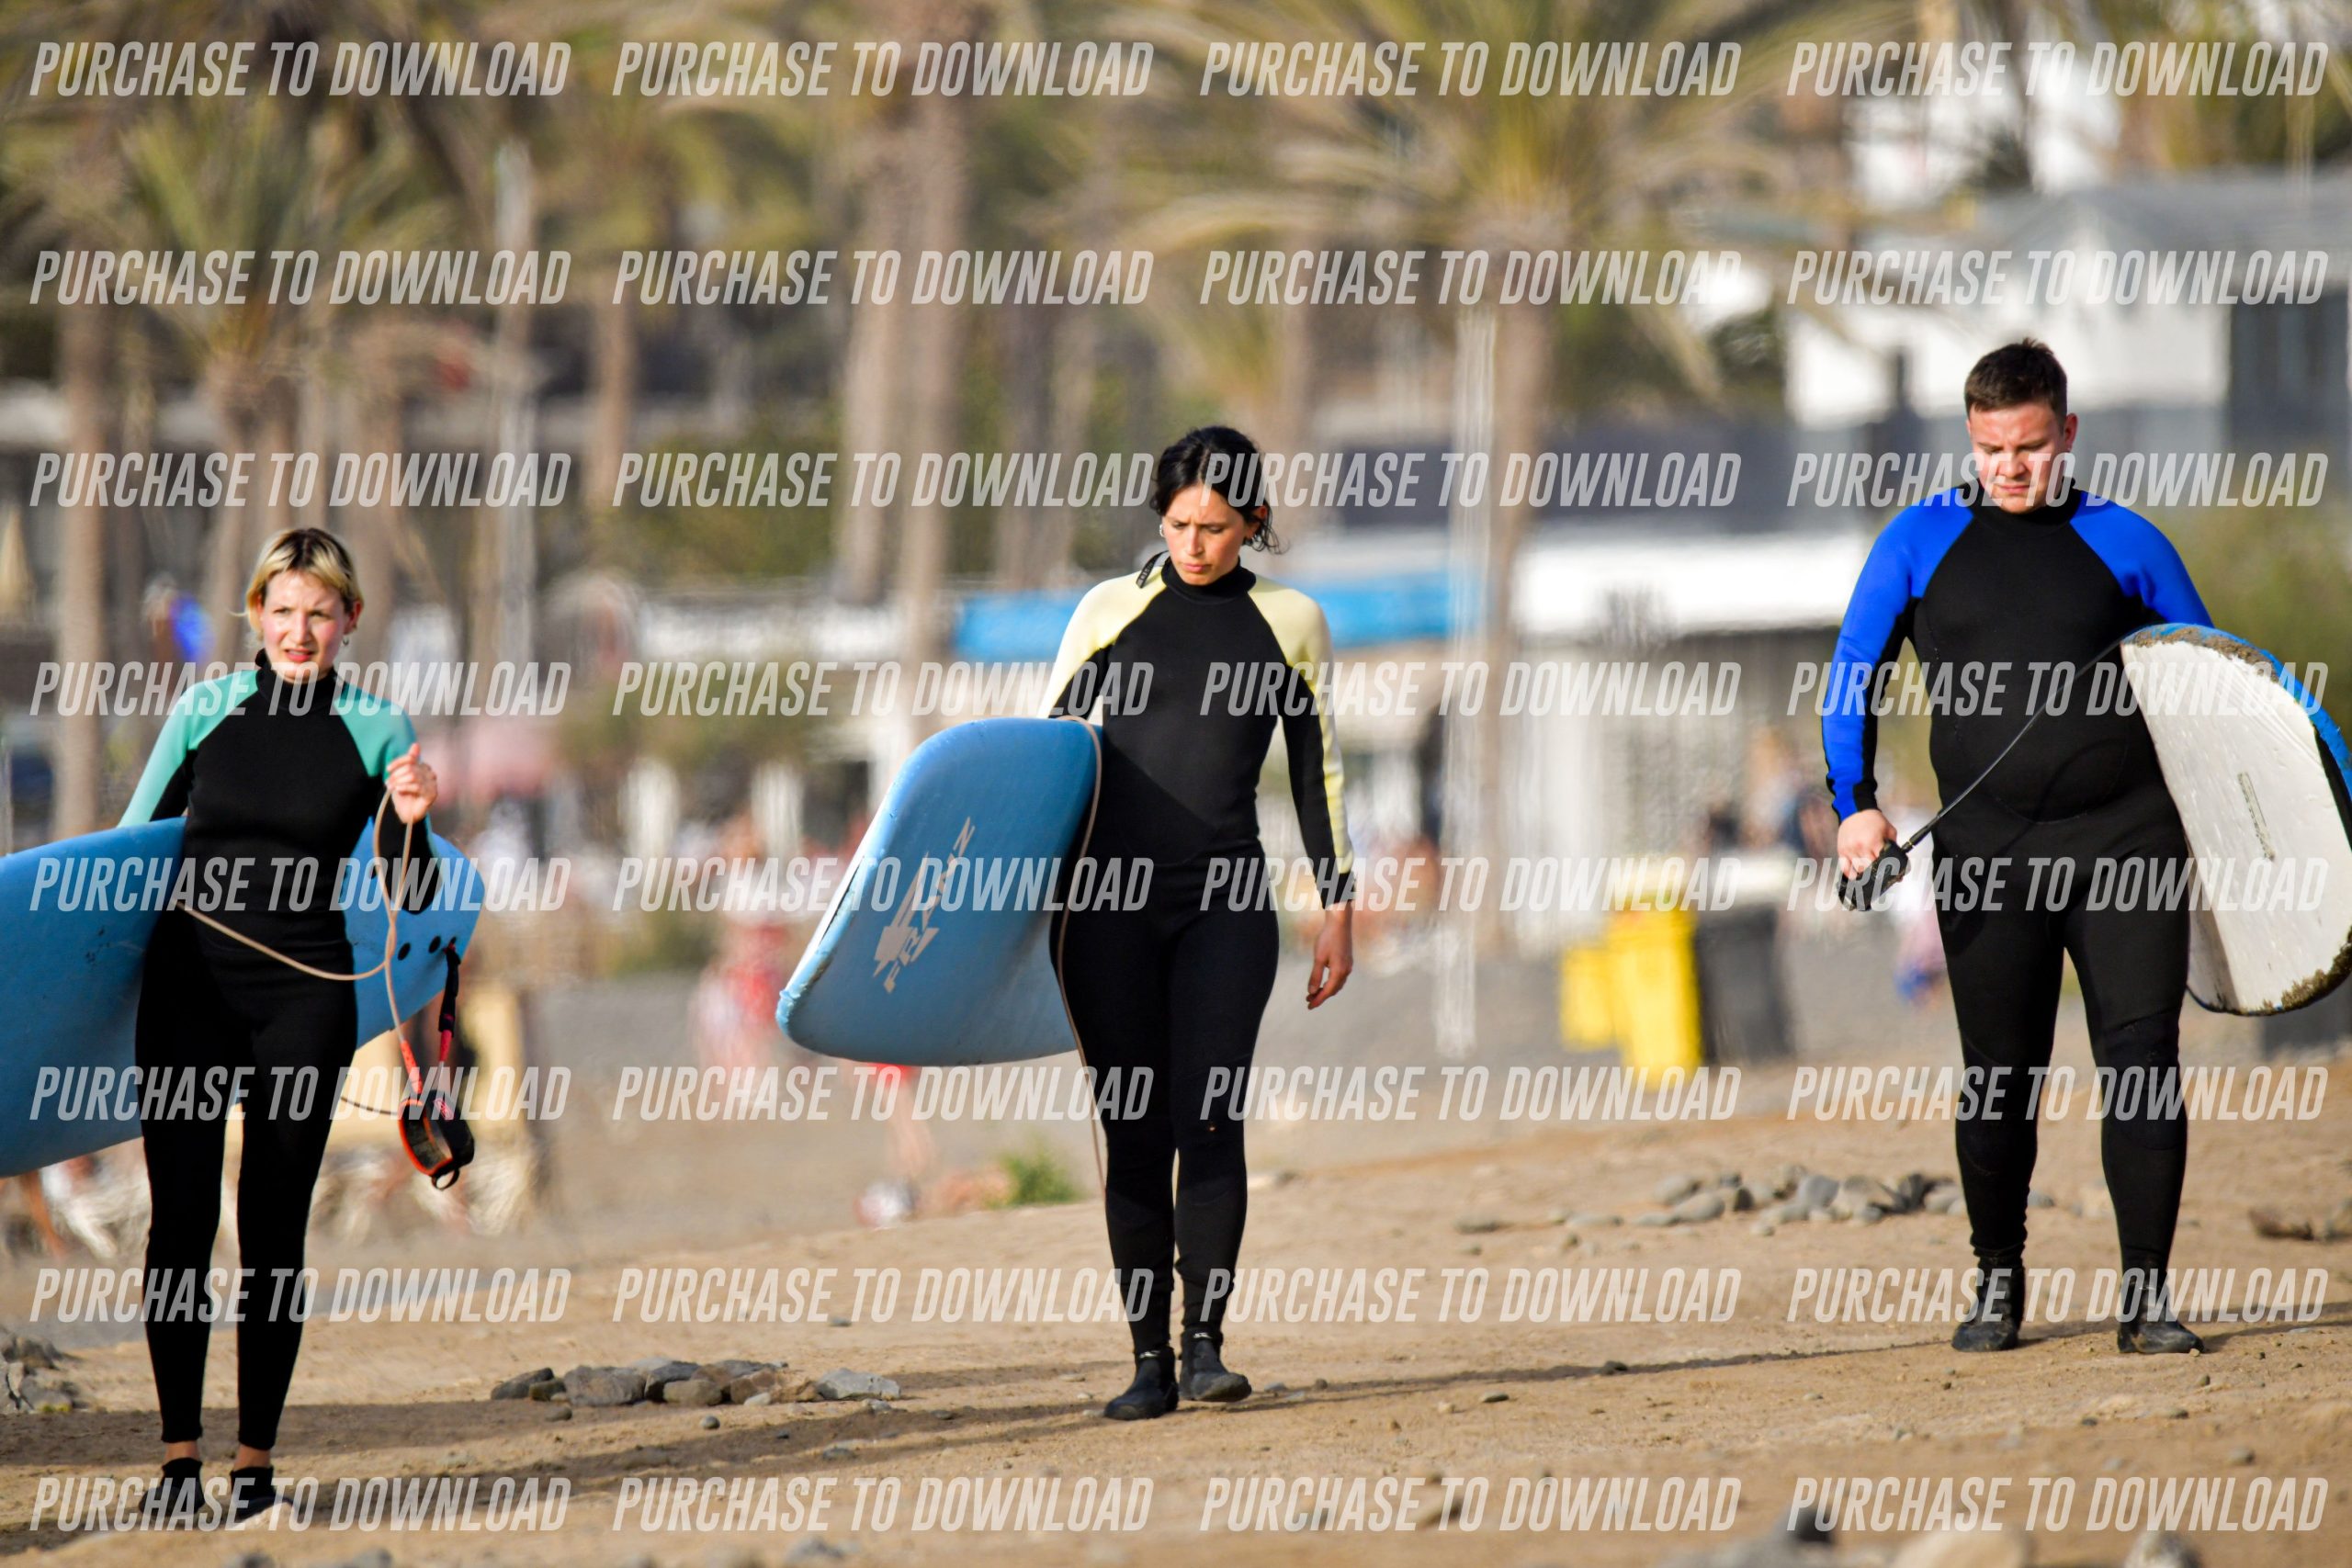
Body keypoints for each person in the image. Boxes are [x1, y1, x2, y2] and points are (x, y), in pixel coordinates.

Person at [1824, 340, 2210, 1356]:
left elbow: (2214, 686)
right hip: (1988, 855)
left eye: (2030, 447)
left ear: (2066, 433)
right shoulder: (1919, 540)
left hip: (2127, 843)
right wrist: (1855, 804)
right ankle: (1997, 1278)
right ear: (1969, 437)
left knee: (2142, 1063)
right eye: (1991, 448)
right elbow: (1854, 668)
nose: (2010, 467)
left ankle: (2146, 1298)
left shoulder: (2127, 541)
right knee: (1999, 1077)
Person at [125, 529, 440, 1522]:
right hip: (189, 985)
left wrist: (411, 818)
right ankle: (179, 1463)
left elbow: (411, 889)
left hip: (304, 997)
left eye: (320, 614)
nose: (300, 632)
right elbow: (129, 851)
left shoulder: (377, 728)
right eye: (284, 610)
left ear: (350, 620)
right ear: (257, 612)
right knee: (181, 1219)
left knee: (272, 1226)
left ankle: (254, 1466)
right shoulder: (205, 710)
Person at [1043, 425, 1355, 1418]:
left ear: (1252, 522)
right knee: (1134, 1131)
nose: (1193, 545)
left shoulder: (1291, 621)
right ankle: (1148, 1363)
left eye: (1215, 528)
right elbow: (1047, 758)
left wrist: (1337, 904)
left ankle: (1205, 1346)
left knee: (1210, 1117)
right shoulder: (1108, 611)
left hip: (1227, 901)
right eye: (1178, 524)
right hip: (1107, 908)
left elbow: (1317, 770)